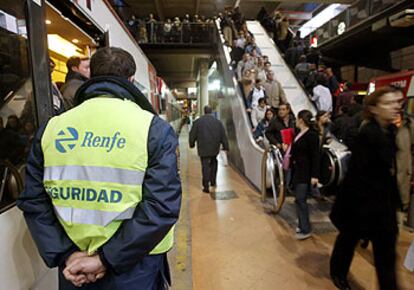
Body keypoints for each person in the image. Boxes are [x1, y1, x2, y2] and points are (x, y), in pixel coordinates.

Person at [17, 47, 182, 290]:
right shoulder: (153, 129)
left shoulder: (51, 129)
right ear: (131, 80)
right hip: (136, 265)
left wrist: (67, 255)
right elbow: (162, 206)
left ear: (91, 76)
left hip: (75, 266)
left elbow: (33, 200)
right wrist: (106, 259)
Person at [329, 86, 403, 290]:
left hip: (382, 204)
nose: (395, 106)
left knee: (386, 254)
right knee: (348, 240)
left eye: (397, 102)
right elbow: (358, 175)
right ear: (375, 108)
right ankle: (338, 273)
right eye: (388, 103)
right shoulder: (367, 134)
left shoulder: (391, 131)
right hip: (359, 203)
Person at [289, 110, 320, 240]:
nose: (295, 121)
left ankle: (305, 229)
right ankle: (302, 224)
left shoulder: (312, 135)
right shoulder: (298, 133)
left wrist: (314, 175)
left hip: (305, 172)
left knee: (301, 199)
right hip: (298, 170)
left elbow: (315, 156)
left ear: (301, 120)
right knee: (298, 199)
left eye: (297, 118)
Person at [189, 105, 229, 193]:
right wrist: (226, 146)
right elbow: (223, 135)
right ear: (211, 112)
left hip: (203, 148)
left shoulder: (198, 122)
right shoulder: (218, 122)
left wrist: (191, 144)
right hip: (214, 147)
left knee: (205, 166)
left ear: (204, 111)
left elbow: (192, 135)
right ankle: (213, 181)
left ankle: (206, 186)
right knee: (214, 163)